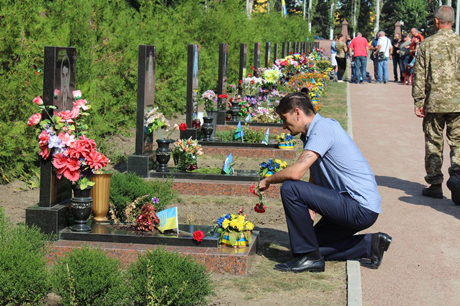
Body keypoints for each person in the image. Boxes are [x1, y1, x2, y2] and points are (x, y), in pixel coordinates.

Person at [258, 92, 392, 273]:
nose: (283, 126)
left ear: (297, 112)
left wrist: (268, 180)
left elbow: (297, 173)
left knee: (291, 188)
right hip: (356, 207)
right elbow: (315, 178)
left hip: (359, 208)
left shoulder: (323, 128)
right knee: (313, 244)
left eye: (284, 118)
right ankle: (369, 245)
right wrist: (310, 211)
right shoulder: (311, 134)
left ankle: (310, 258)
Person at [413, 5, 460, 205]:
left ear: (436, 21)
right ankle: (458, 177)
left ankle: (435, 185)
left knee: (434, 143)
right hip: (458, 102)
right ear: (453, 21)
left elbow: (420, 75)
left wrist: (418, 100)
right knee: (458, 143)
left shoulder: (427, 45)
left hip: (434, 103)